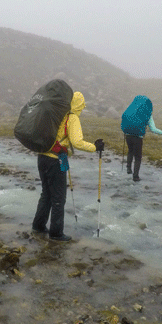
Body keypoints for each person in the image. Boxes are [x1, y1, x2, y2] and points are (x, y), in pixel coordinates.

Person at [32, 91, 104, 242]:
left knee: (46, 193)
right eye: (82, 105)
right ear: (79, 105)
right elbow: (77, 142)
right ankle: (56, 233)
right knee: (59, 197)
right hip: (56, 160)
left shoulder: (57, 114)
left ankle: (38, 226)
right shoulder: (72, 118)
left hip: (43, 156)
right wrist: (95, 148)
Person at [122, 96, 162, 182]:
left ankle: (128, 168)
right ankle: (135, 176)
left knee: (130, 151)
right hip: (138, 138)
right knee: (138, 157)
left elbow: (124, 118)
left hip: (128, 135)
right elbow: (153, 129)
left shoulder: (131, 110)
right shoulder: (147, 114)